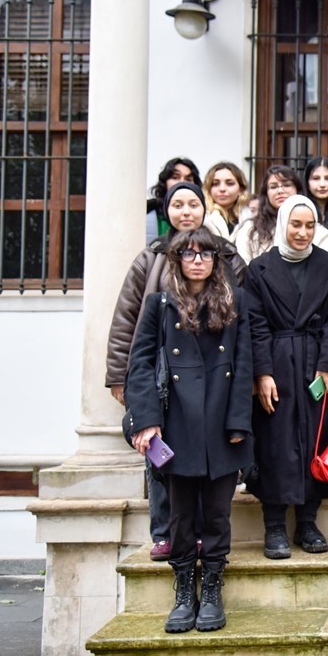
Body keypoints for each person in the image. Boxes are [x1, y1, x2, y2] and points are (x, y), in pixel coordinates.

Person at [106, 182, 247, 561]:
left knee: (205, 459)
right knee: (161, 454)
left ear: (204, 208)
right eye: (178, 204)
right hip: (162, 374)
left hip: (212, 377)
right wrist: (120, 376)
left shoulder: (227, 255)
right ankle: (164, 532)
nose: (186, 211)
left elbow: (243, 319)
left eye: (193, 204)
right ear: (167, 211)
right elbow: (126, 319)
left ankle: (198, 537)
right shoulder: (150, 257)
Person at [124, 228, 253, 634]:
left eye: (206, 254)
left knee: (216, 513)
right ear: (177, 260)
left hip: (221, 421)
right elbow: (140, 365)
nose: (198, 261)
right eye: (189, 254)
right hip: (176, 423)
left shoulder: (235, 302)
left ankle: (211, 588)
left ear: (216, 261)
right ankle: (183, 590)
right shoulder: (159, 305)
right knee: (180, 514)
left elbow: (244, 364)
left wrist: (238, 422)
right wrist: (147, 420)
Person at [244, 195, 328, 560]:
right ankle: (274, 524)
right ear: (282, 224)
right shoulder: (259, 268)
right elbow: (254, 324)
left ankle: (307, 521)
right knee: (275, 440)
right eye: (296, 225)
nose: (303, 232)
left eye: (309, 225)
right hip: (277, 364)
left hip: (316, 363)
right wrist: (262, 372)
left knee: (314, 437)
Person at [235, 166, 328, 264]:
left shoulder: (319, 232)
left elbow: (323, 266)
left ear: (297, 189)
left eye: (286, 185)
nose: (280, 191)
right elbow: (244, 267)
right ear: (266, 193)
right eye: (273, 187)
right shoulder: (249, 230)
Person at [147, 157, 201, 243]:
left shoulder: (201, 216)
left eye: (188, 179)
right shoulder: (149, 214)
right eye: (175, 177)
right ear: (165, 182)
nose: (182, 182)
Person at [202, 161, 251, 241]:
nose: (222, 189)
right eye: (215, 184)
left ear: (241, 189)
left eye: (229, 183)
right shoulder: (202, 218)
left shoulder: (251, 219)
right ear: (208, 189)